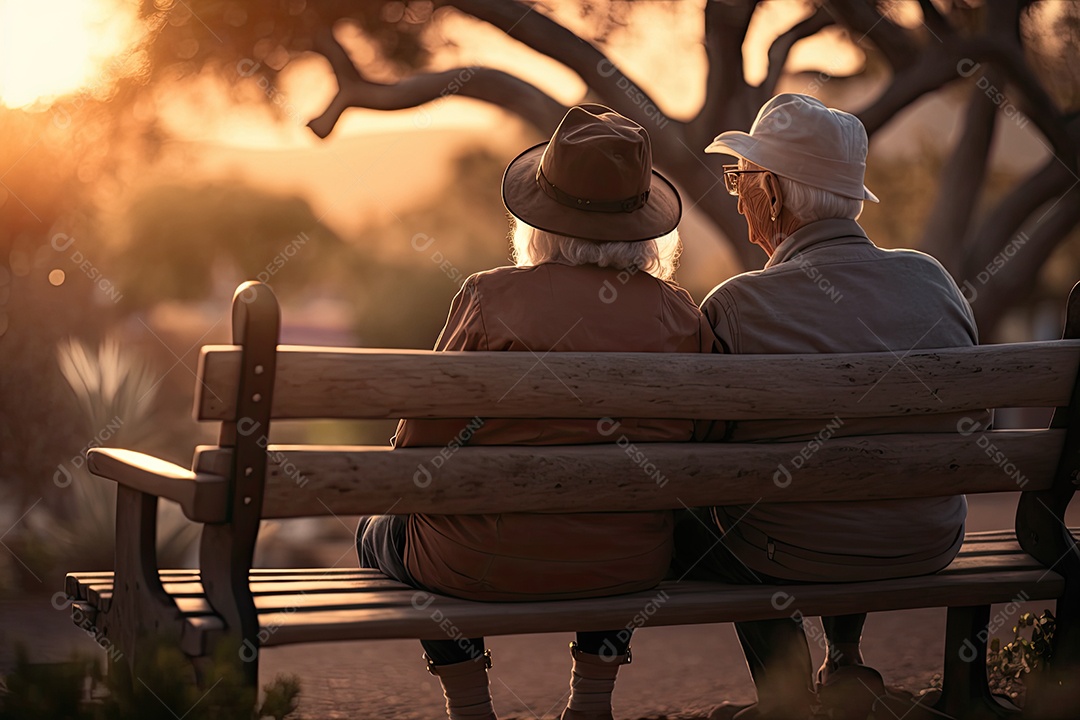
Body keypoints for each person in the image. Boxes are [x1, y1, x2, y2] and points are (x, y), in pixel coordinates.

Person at [358, 104, 714, 720]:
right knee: (622, 515)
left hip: (475, 566)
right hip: (627, 564)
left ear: (540, 222)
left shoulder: (491, 298)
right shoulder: (681, 316)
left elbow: (416, 447)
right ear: (643, 226)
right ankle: (591, 700)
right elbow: (701, 446)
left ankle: (470, 705)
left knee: (377, 532)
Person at [675, 93, 984, 720]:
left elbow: (701, 451)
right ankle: (845, 661)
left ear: (777, 195)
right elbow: (979, 426)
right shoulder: (933, 280)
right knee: (851, 468)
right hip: (927, 538)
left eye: (743, 179)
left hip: (788, 547)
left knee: (718, 505)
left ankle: (785, 699)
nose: (734, 196)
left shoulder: (738, 305)